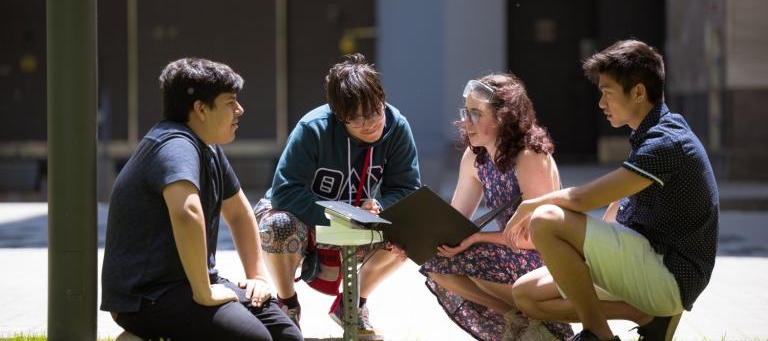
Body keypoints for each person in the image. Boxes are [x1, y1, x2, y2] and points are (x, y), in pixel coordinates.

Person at [504, 40, 719, 341]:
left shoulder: (666, 142)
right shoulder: (650, 134)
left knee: (546, 218)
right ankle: (646, 316)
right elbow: (620, 205)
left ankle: (598, 335)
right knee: (526, 295)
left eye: (607, 92)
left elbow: (581, 199)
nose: (601, 103)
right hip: (646, 260)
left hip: (669, 275)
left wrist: (530, 206)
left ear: (639, 92)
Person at [101, 58, 302, 341]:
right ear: (201, 109)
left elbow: (239, 213)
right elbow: (187, 212)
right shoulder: (175, 145)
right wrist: (204, 292)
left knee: (287, 335)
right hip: (146, 295)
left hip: (192, 285)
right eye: (230, 102)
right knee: (254, 339)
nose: (240, 110)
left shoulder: (207, 147)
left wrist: (256, 276)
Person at [254, 53, 421, 338]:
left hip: (360, 220)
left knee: (410, 234)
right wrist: (341, 216)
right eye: (356, 119)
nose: (369, 123)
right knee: (276, 227)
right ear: (338, 115)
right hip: (305, 218)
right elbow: (285, 191)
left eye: (375, 111)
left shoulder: (397, 127)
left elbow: (407, 191)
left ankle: (352, 306)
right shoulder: (313, 128)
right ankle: (287, 304)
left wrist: (380, 207)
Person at [420, 74, 574, 341]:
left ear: (504, 117)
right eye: (466, 112)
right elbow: (454, 221)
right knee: (436, 262)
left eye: (476, 114)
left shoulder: (529, 155)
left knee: (471, 257)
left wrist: (478, 237)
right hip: (511, 249)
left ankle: (541, 327)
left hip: (546, 256)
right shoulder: (475, 156)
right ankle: (521, 322)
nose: (466, 122)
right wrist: (415, 237)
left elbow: (540, 237)